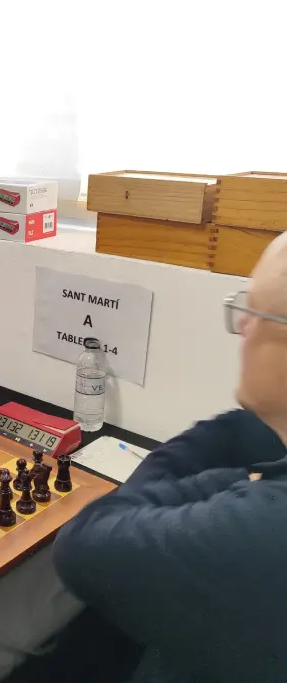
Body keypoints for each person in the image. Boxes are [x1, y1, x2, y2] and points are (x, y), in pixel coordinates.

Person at [53, 232, 287, 683]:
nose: (242, 325)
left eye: (256, 311)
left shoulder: (262, 529)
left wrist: (230, 482)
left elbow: (83, 544)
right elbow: (241, 430)